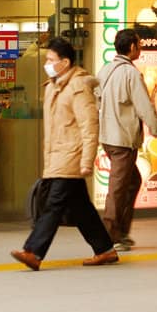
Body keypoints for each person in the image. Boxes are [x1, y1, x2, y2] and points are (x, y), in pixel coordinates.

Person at [10, 38, 118, 271]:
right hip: (58, 155)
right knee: (81, 208)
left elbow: (89, 126)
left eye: (51, 60)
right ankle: (105, 249)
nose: (46, 64)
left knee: (53, 204)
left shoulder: (78, 87)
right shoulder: (52, 86)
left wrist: (87, 160)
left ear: (65, 62)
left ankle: (33, 252)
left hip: (71, 155)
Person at [96, 27, 157, 250]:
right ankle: (109, 237)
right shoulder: (130, 73)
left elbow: (97, 99)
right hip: (122, 140)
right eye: (139, 44)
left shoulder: (106, 69)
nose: (141, 48)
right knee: (118, 188)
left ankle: (120, 232)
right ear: (131, 47)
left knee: (132, 182)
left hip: (108, 137)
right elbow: (144, 108)